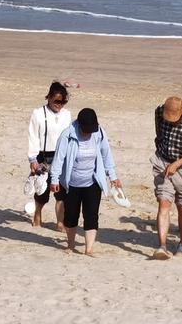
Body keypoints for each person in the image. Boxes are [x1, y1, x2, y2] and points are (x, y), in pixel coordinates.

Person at [50, 107, 120, 256]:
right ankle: (70, 245)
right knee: (70, 216)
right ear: (79, 125)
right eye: (86, 129)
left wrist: (113, 177)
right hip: (71, 184)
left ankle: (89, 249)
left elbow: (106, 154)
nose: (89, 132)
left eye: (91, 129)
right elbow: (58, 158)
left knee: (91, 215)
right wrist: (55, 179)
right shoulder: (67, 135)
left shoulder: (99, 133)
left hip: (92, 182)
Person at [150, 96, 182, 259]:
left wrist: (177, 164)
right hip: (163, 162)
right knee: (163, 203)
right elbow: (159, 135)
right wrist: (165, 161)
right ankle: (162, 245)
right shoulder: (159, 111)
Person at [26, 82, 71, 228]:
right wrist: (32, 158)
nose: (60, 105)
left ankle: (60, 222)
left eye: (63, 102)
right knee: (42, 189)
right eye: (57, 101)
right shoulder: (38, 113)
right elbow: (33, 136)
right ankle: (37, 215)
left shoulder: (66, 114)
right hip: (43, 156)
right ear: (49, 98)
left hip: (61, 156)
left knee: (62, 191)